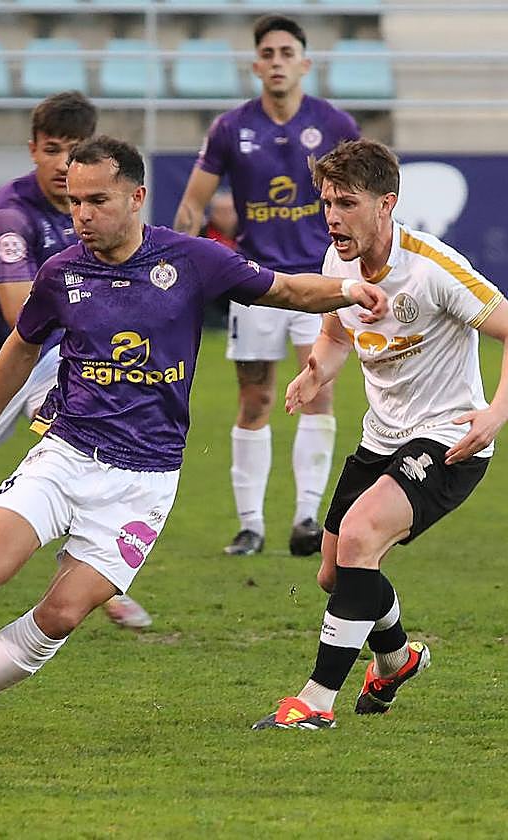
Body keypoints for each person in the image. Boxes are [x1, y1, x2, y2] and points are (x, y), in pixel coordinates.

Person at [0, 137, 388, 721]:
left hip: (146, 481)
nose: (82, 214)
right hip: (68, 453)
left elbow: (283, 288)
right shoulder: (60, 273)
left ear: (137, 197)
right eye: (74, 202)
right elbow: (20, 348)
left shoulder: (192, 260)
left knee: (60, 616)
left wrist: (348, 289)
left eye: (97, 200)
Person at [252, 139, 508, 730]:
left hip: (448, 441)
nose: (332, 216)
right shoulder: (339, 262)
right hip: (381, 439)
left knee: (358, 537)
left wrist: (497, 413)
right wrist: (316, 372)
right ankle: (397, 657)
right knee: (335, 573)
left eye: (346, 203)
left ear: (386, 204)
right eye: (327, 201)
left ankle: (314, 704)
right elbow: (335, 333)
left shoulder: (432, 268)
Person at [0, 90, 152, 630]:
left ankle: (94, 575)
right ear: (33, 150)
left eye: (73, 151)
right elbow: (22, 320)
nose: (63, 165)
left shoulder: (97, 210)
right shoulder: (11, 217)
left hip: (52, 367)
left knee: (88, 450)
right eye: (52, 150)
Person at [174, 15, 361, 558]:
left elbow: (363, 193)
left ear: (305, 64)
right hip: (255, 282)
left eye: (287, 52)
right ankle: (250, 525)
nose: (277, 61)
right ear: (256, 65)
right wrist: (175, 265)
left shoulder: (335, 124)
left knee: (318, 390)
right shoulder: (231, 128)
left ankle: (307, 517)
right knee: (254, 397)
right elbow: (192, 204)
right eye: (268, 53)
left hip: (321, 277)